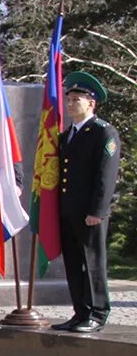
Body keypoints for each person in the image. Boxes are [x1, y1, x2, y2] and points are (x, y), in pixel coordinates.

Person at [53, 71, 122, 333]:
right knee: (73, 262)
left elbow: (106, 176)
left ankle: (97, 312)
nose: (70, 104)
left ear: (91, 103)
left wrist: (97, 211)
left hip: (90, 212)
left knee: (92, 262)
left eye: (76, 100)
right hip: (68, 211)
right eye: (68, 100)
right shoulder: (66, 135)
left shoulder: (103, 133)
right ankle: (80, 311)